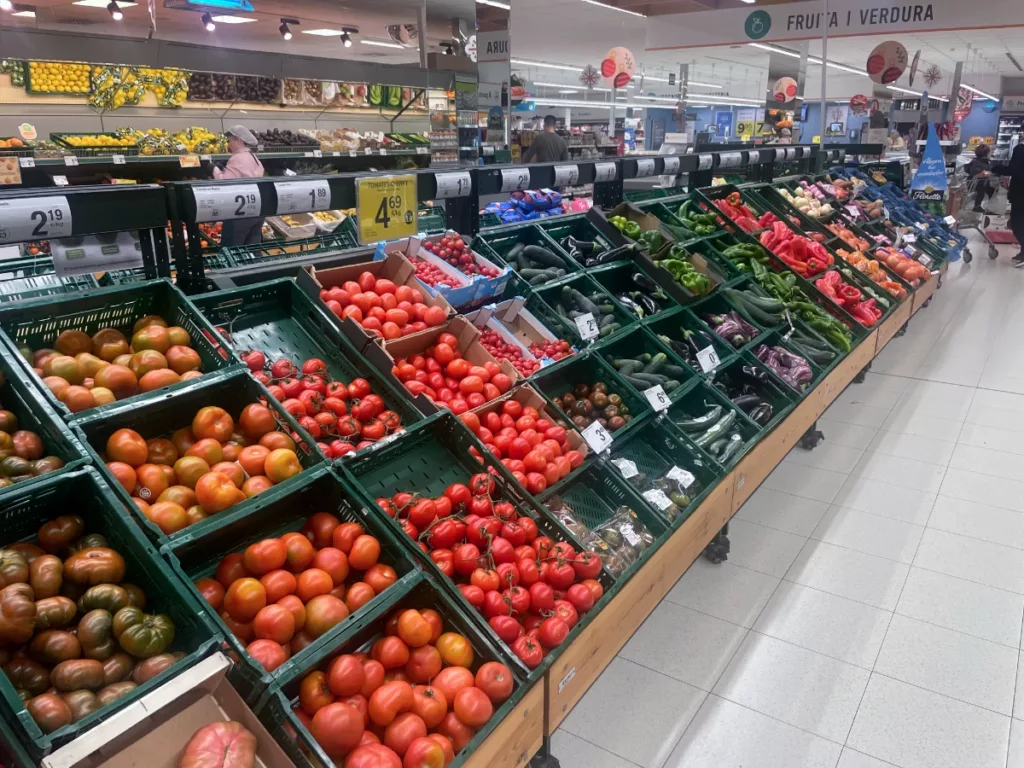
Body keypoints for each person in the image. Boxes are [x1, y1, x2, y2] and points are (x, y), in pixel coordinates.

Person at [214, 124, 265, 246]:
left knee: (232, 251)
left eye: (230, 141)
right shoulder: (254, 158)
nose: (228, 144)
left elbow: (225, 183)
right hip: (257, 211)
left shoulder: (237, 158)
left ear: (238, 141)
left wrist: (214, 169)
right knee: (252, 250)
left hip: (240, 212)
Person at [992, 143, 1024, 265]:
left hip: (1020, 193)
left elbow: (1012, 169)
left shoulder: (1020, 149)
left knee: (1018, 224)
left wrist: (995, 167)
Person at [965, 143, 995, 212]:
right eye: (989, 152)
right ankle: (977, 206)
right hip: (975, 183)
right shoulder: (977, 162)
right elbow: (975, 172)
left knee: (991, 190)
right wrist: (987, 173)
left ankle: (990, 205)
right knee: (982, 190)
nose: (990, 154)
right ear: (986, 154)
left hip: (982, 182)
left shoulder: (985, 162)